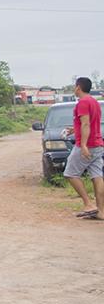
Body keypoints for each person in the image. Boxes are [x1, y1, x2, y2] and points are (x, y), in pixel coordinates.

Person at [62, 77, 104, 219]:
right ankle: (101, 211)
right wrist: (74, 129)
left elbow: (86, 124)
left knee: (70, 174)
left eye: (74, 86)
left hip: (87, 145)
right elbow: (88, 123)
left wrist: (84, 145)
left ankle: (88, 204)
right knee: (97, 176)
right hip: (98, 144)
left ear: (78, 87)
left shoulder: (83, 103)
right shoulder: (94, 102)